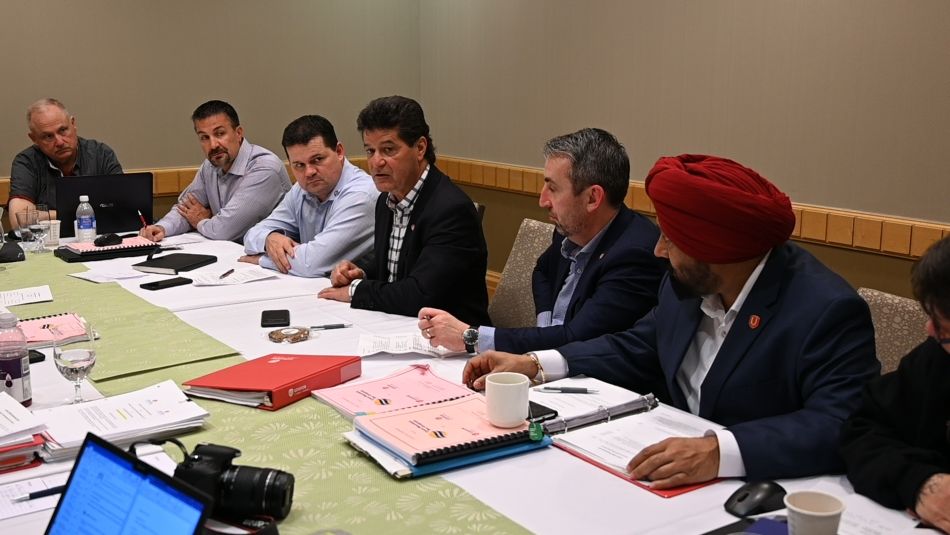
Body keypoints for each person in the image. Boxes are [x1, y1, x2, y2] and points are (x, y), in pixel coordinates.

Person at [463, 154, 879, 488]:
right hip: (661, 475)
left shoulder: (825, 310)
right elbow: (637, 345)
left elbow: (838, 422)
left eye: (671, 238)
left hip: (759, 491)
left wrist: (721, 451)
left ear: (716, 246)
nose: (659, 250)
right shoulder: (687, 283)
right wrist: (535, 363)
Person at [417, 128, 664, 355]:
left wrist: (470, 337)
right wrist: (547, 323)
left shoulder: (634, 256)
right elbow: (542, 270)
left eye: (553, 189)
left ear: (592, 198)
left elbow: (575, 339)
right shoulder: (571, 229)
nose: (543, 201)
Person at [319, 96, 489, 326]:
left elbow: (420, 293)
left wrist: (356, 291)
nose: (376, 162)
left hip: (452, 344)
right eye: (370, 151)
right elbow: (395, 267)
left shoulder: (451, 210)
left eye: (388, 150)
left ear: (420, 148)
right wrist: (360, 272)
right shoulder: (386, 201)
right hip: (397, 325)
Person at [840, 236, 950, 533]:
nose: (930, 330)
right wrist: (921, 483)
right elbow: (864, 431)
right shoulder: (936, 356)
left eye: (942, 327)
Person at [239, 115, 377, 277]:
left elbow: (311, 263)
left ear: (339, 152)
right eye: (299, 165)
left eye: (317, 159)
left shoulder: (361, 195)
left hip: (360, 297)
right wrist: (270, 238)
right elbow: (251, 236)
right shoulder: (302, 189)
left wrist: (262, 260)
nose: (309, 172)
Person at [140, 100, 291, 242]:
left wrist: (201, 221)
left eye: (220, 134)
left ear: (238, 133)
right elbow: (185, 208)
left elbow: (223, 230)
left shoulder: (264, 168)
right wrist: (161, 228)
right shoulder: (210, 166)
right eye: (204, 137)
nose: (213, 145)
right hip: (232, 255)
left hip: (271, 262)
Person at [8, 98, 123, 229]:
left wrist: (47, 216)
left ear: (73, 124)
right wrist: (82, 214)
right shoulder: (26, 162)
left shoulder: (101, 154)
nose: (60, 142)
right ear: (34, 139)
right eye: (48, 136)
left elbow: (123, 206)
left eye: (63, 130)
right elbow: (20, 219)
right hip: (49, 244)